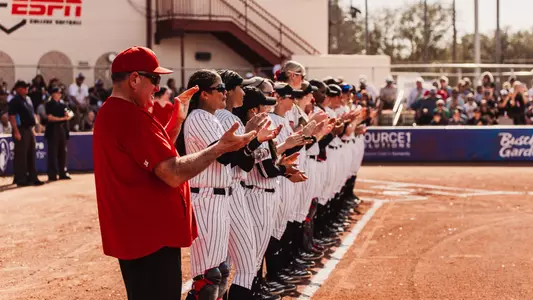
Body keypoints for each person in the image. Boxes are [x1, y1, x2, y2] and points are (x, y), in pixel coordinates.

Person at [92, 46, 255, 300]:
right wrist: (218, 149)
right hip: (148, 237)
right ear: (134, 79)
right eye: (154, 79)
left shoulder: (116, 112)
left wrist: (177, 122)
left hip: (141, 234)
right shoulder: (129, 117)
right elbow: (173, 173)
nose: (158, 87)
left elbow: (155, 158)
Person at [215, 70, 282, 299]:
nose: (242, 92)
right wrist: (253, 139)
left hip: (226, 192)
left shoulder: (217, 118)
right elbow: (239, 162)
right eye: (240, 88)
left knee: (220, 264)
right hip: (232, 191)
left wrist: (254, 140)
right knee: (241, 263)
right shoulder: (229, 119)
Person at [7, 80, 44, 187]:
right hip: (20, 129)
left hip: (29, 129)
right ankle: (21, 178)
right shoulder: (15, 101)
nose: (27, 89)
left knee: (31, 153)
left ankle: (33, 177)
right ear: (19, 89)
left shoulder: (28, 99)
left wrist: (34, 129)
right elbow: (12, 117)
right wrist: (16, 131)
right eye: (25, 88)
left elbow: (32, 114)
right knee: (21, 155)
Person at [45, 87, 72, 181]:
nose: (59, 95)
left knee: (63, 152)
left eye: (60, 93)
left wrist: (67, 116)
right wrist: (63, 119)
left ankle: (62, 172)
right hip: (53, 130)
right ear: (53, 94)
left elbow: (70, 114)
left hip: (62, 129)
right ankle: (52, 174)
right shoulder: (49, 104)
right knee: (53, 152)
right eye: (57, 93)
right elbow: (50, 118)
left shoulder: (63, 104)